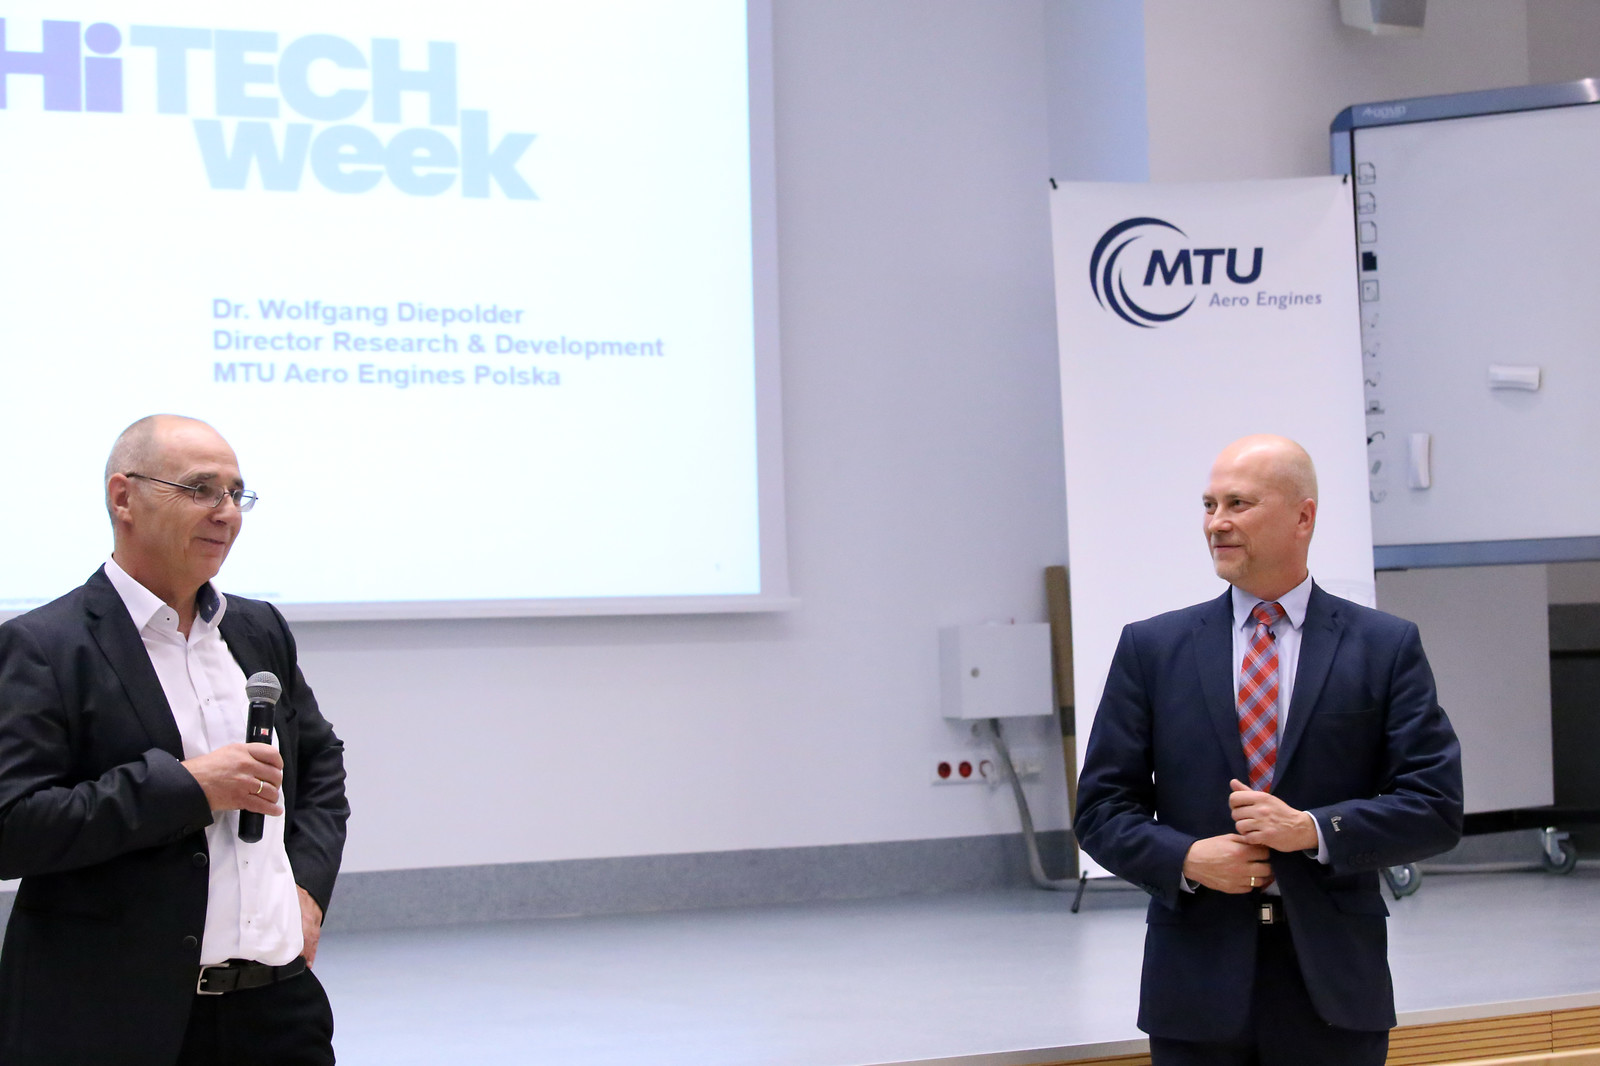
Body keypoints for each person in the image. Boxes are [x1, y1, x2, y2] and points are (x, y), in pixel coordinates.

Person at [1073, 434, 1463, 1066]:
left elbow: (1434, 807)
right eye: (1209, 505)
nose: (1216, 523)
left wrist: (1312, 830)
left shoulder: (1383, 648)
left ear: (1303, 517)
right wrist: (1188, 858)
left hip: (1334, 987)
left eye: (1239, 504)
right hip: (1195, 989)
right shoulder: (1152, 650)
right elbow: (1100, 811)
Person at [0, 414, 349, 1065]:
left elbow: (321, 766)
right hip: (117, 1018)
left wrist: (307, 890)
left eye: (236, 494)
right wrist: (188, 788)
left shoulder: (258, 628)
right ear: (123, 497)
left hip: (277, 1011)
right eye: (200, 489)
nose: (226, 513)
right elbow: (13, 825)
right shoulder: (45, 647)